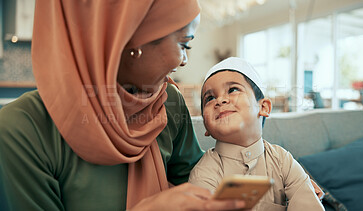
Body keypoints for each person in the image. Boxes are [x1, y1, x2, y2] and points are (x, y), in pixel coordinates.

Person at [0, 1, 247, 210]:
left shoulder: (169, 102)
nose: (183, 61)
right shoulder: (21, 130)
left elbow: (199, 183)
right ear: (130, 40)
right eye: (184, 44)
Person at [189, 57, 325, 210]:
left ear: (264, 107)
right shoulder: (204, 173)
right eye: (210, 98)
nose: (220, 100)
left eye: (233, 90)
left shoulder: (282, 160)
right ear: (205, 125)